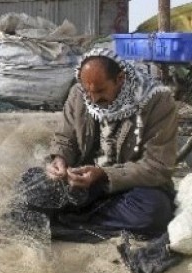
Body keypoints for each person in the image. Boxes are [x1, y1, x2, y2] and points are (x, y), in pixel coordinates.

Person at [12, 48, 178, 241]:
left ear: (120, 79)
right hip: (82, 183)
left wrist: (103, 174)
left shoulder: (157, 101)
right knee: (31, 182)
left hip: (129, 187)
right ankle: (78, 220)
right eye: (88, 91)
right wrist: (60, 159)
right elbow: (66, 138)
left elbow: (157, 167)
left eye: (100, 91)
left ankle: (66, 222)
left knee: (155, 211)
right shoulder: (78, 94)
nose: (93, 99)